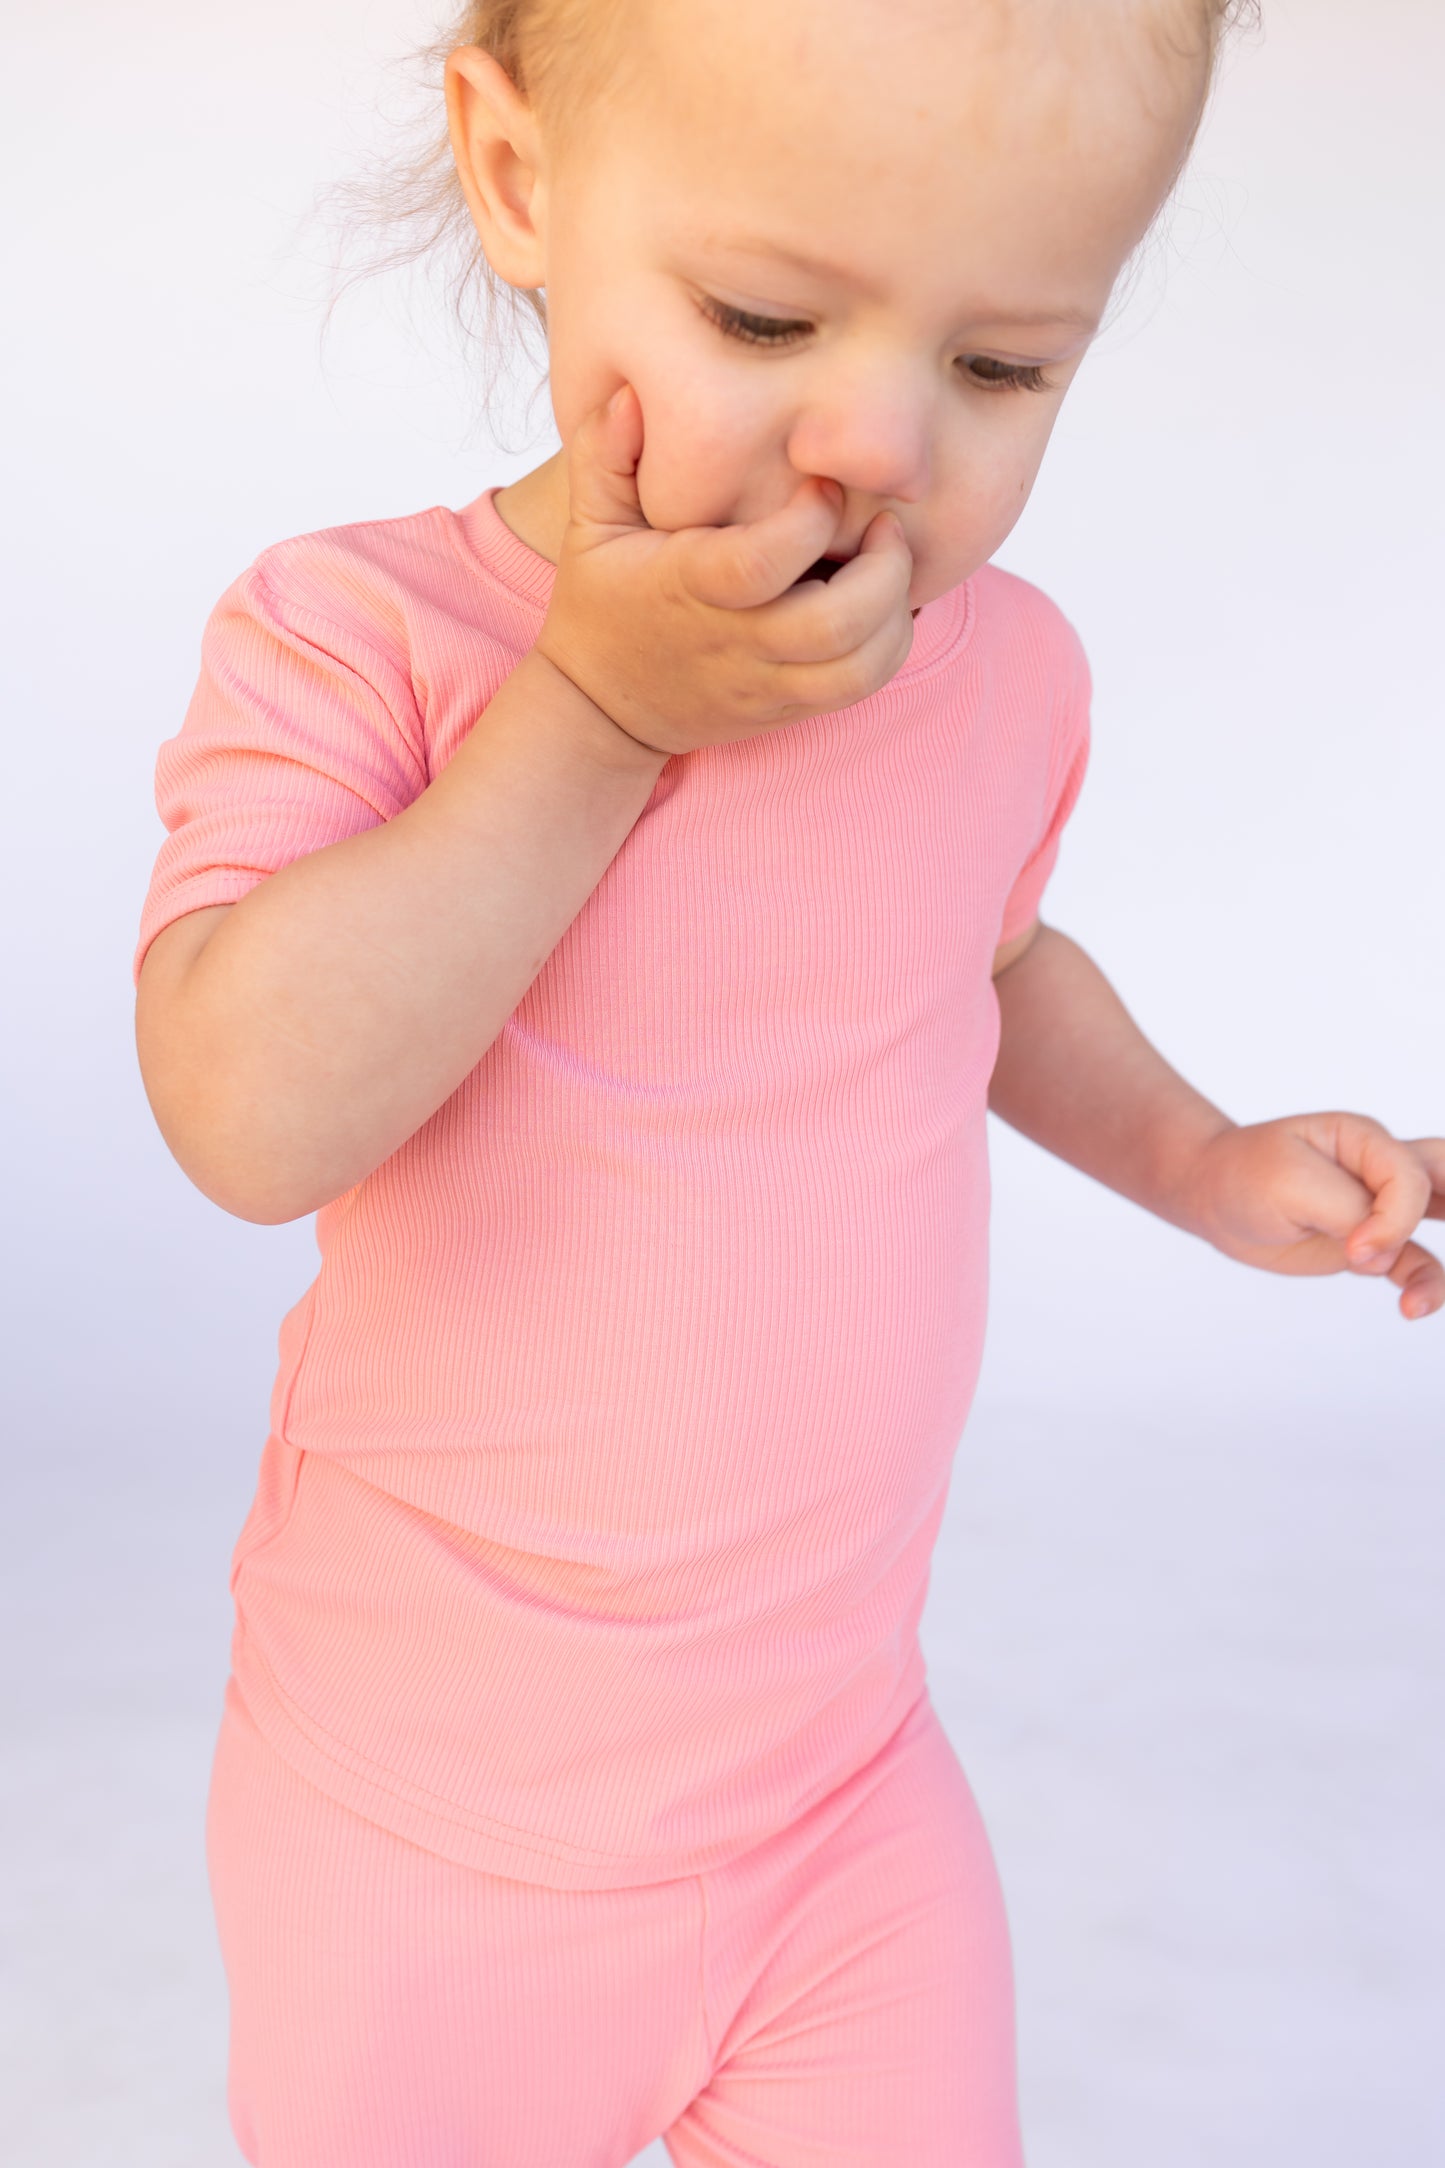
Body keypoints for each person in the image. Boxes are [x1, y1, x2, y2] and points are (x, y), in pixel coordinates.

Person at [131, 3, 1443, 2162]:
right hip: (434, 1839)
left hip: (839, 1801)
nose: (878, 446)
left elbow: (985, 962)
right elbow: (248, 1111)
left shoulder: (997, 666)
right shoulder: (359, 639)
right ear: (524, 176)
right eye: (763, 314)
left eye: (1004, 366)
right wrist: (593, 711)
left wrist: (1199, 1155)